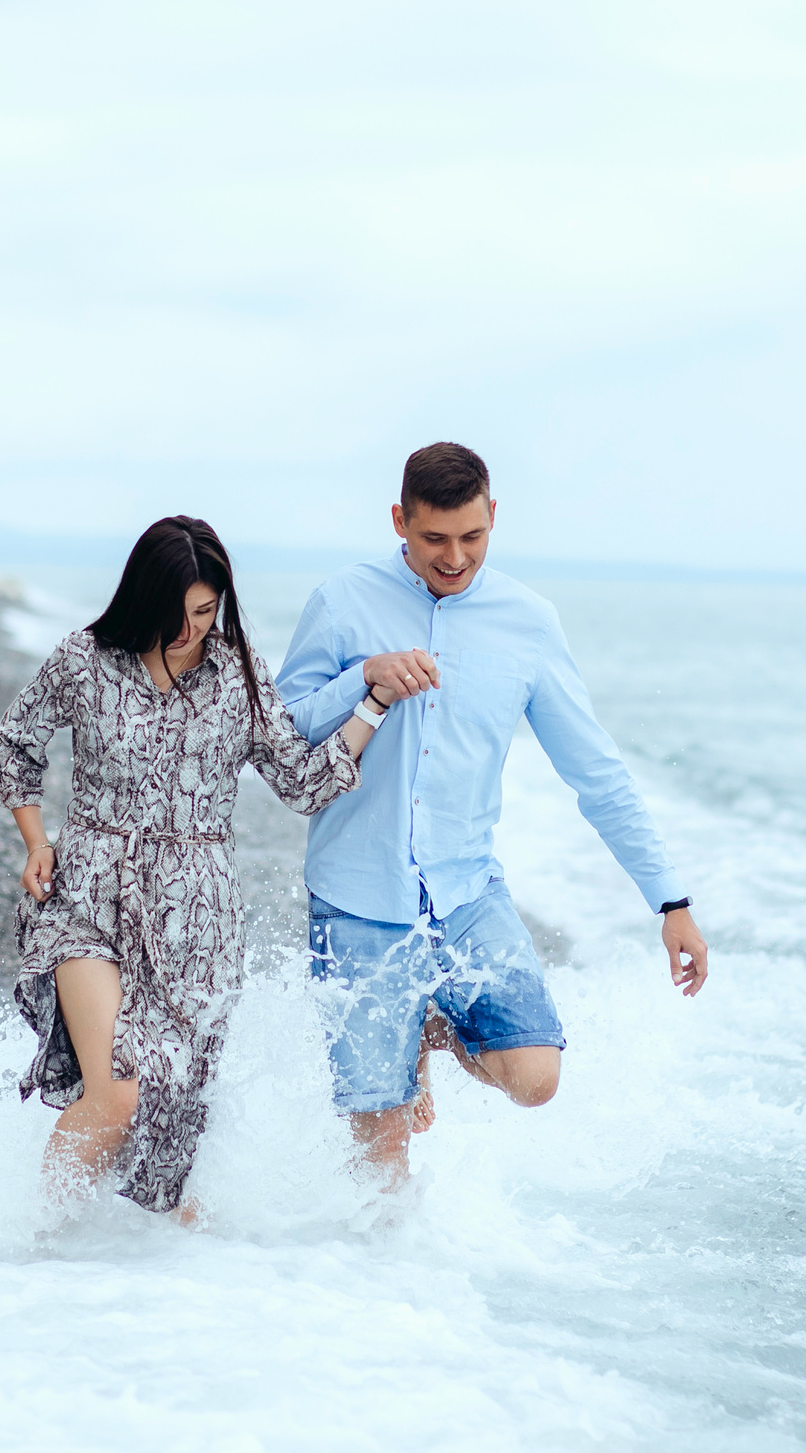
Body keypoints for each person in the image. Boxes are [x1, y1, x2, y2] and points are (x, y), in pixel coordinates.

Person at [276, 442, 709, 1184]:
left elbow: (595, 771)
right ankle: (385, 1291)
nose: (454, 557)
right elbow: (281, 736)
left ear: (493, 518)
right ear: (399, 520)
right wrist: (364, 677)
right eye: (434, 538)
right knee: (381, 1163)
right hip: (356, 894)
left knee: (535, 1076)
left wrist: (670, 900)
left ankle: (428, 1028)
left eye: (472, 537)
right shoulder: (342, 601)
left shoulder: (529, 622)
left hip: (468, 890)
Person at [0, 515, 416, 1218]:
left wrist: (371, 700)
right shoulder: (84, 658)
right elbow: (17, 743)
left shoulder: (238, 678)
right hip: (89, 892)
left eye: (206, 609)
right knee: (118, 1089)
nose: (192, 628)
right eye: (178, 611)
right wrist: (36, 840)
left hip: (198, 918)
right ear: (142, 597)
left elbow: (301, 783)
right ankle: (37, 1241)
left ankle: (147, 1262)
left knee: (172, 1110)